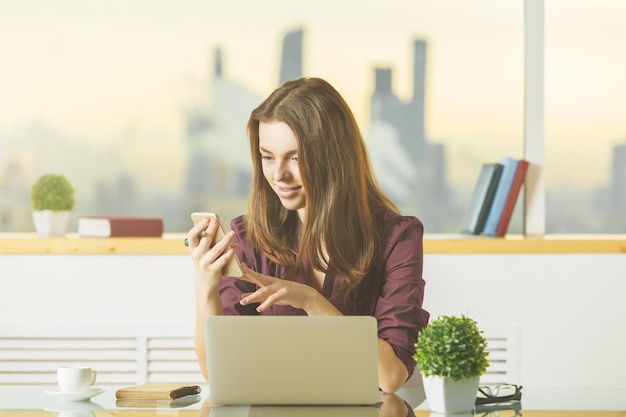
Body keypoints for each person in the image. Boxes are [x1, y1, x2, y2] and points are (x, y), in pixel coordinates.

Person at [187, 76, 429, 393]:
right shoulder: (247, 237)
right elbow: (217, 374)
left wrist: (311, 302)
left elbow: (389, 376)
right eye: (267, 157)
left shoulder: (397, 237)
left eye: (296, 157)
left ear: (334, 157)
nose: (278, 175)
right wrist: (206, 287)